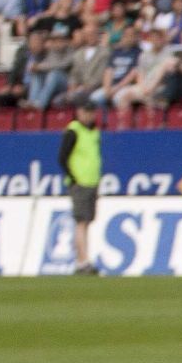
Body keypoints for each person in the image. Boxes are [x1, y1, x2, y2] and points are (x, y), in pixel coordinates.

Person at [60, 101, 103, 276]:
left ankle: (82, 259)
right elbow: (62, 156)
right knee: (81, 222)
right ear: (79, 112)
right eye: (87, 112)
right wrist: (73, 178)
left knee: (86, 222)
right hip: (80, 183)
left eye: (92, 112)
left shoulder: (94, 131)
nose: (90, 115)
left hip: (92, 181)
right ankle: (82, 260)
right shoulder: (73, 131)